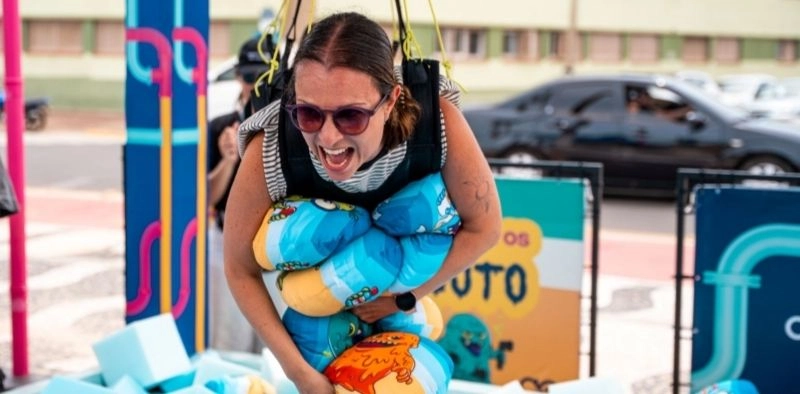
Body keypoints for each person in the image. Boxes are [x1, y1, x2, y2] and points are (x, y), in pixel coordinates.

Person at [223, 11, 502, 393]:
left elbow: (485, 226)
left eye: (351, 117)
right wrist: (298, 373)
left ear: (391, 102)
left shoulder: (437, 123)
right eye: (309, 113)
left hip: (396, 309)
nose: (329, 138)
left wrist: (405, 298)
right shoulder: (274, 142)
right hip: (315, 330)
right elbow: (240, 268)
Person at [207, 35, 271, 352]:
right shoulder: (222, 127)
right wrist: (228, 160)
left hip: (277, 251)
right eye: (249, 77)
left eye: (265, 77)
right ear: (237, 78)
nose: (256, 85)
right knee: (229, 342)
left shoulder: (297, 129)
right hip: (228, 243)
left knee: (273, 348)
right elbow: (206, 198)